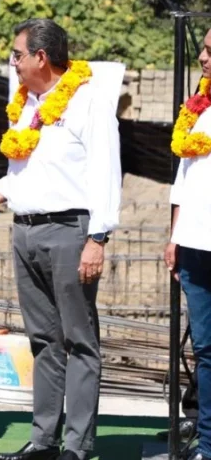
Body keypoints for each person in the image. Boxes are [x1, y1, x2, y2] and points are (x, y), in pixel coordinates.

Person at [0, 19, 121, 460]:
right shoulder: (28, 104)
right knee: (44, 341)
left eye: (17, 54)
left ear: (41, 58)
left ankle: (77, 446)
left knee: (79, 341)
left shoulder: (88, 102)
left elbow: (107, 174)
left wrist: (98, 237)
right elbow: (23, 173)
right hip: (25, 230)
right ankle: (44, 440)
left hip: (71, 232)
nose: (13, 62)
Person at [164, 28, 211, 460]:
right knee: (206, 349)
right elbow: (185, 175)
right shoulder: (199, 105)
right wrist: (175, 236)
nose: (202, 57)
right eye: (204, 48)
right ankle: (208, 445)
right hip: (196, 243)